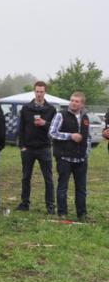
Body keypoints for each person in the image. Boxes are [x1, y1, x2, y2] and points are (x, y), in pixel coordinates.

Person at [49, 91, 91, 220]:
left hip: (81, 159)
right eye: (72, 100)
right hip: (64, 157)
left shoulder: (85, 117)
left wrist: (86, 152)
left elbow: (87, 137)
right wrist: (70, 136)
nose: (73, 103)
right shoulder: (60, 115)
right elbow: (52, 133)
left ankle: (82, 214)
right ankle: (62, 214)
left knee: (81, 189)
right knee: (63, 187)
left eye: (76, 101)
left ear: (82, 104)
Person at [16, 81, 57, 214]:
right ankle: (25, 203)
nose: (39, 94)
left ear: (45, 92)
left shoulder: (51, 109)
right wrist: (22, 146)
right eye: (37, 91)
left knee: (48, 178)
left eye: (41, 92)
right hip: (28, 148)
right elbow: (21, 128)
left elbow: (55, 128)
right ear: (34, 92)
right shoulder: (26, 108)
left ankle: (50, 206)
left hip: (44, 148)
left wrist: (45, 123)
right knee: (26, 177)